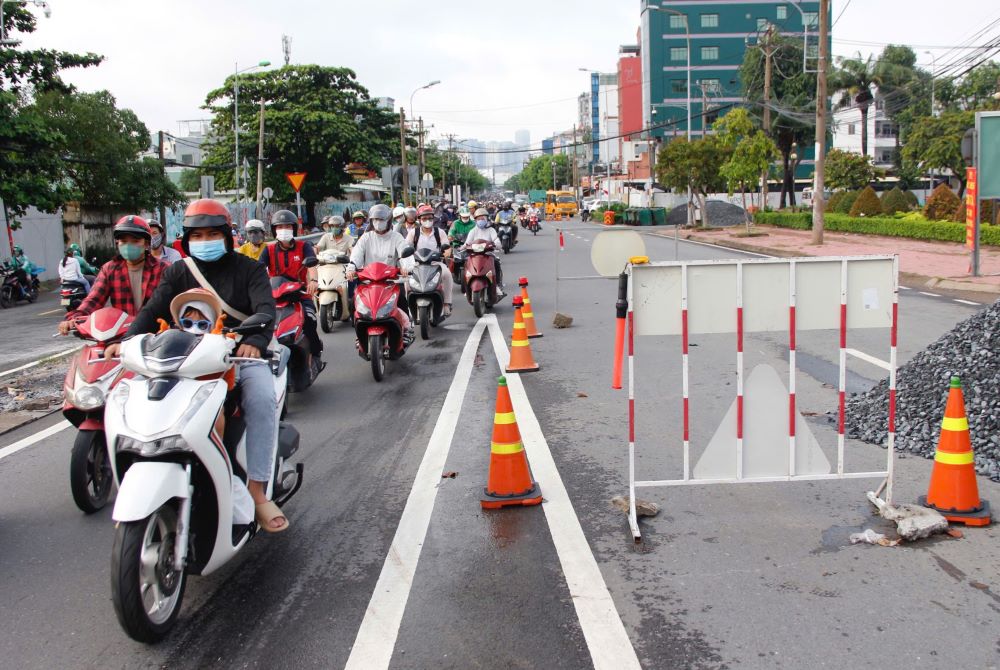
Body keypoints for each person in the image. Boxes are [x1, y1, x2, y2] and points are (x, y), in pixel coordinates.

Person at [104, 199, 288, 533]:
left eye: (212, 234)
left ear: (226, 236)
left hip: (238, 355)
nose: (205, 241)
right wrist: (126, 341)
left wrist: (255, 342)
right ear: (187, 239)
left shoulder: (250, 269)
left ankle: (257, 492)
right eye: (198, 235)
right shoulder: (178, 271)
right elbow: (151, 311)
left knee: (261, 399)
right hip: (185, 359)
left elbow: (265, 311)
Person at [58, 216, 165, 333]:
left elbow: (174, 303)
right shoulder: (110, 269)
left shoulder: (163, 269)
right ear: (117, 243)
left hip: (155, 335)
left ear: (146, 244)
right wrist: (74, 318)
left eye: (135, 241)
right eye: (124, 241)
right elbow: (93, 300)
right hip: (122, 336)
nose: (128, 246)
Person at [258, 210, 323, 364]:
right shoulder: (268, 250)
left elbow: (311, 265)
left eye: (287, 226)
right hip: (275, 295)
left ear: (293, 228)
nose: (284, 229)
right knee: (261, 322)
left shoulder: (304, 246)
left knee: (310, 319)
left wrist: (313, 280)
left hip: (300, 293)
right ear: (274, 230)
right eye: (280, 227)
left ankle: (315, 353)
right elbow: (258, 270)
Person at [347, 203, 413, 337]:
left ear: (388, 220)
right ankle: (359, 333)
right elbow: (356, 254)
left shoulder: (396, 237)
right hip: (368, 282)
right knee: (354, 302)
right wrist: (352, 267)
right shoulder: (366, 237)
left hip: (391, 281)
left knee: (401, 299)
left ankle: (406, 329)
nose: (378, 222)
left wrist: (406, 267)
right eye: (375, 219)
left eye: (381, 219)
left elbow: (404, 253)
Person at [404, 204, 453, 316]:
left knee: (447, 274)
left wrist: (447, 252)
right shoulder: (413, 233)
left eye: (430, 218)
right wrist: (406, 258)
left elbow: (447, 246)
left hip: (435, 263)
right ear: (419, 219)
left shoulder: (439, 232)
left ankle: (446, 303)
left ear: (433, 218)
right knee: (407, 280)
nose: (427, 220)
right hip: (417, 263)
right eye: (424, 218)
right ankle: (409, 306)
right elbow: (406, 246)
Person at [463, 208, 505, 296]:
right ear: (475, 220)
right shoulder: (473, 231)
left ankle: (497, 284)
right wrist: (462, 248)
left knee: (496, 262)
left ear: (487, 219)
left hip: (488, 254)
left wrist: (497, 244)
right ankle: (467, 287)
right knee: (466, 264)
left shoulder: (491, 230)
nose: (481, 221)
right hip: (474, 255)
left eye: (483, 218)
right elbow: (467, 243)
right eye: (479, 219)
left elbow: (496, 239)